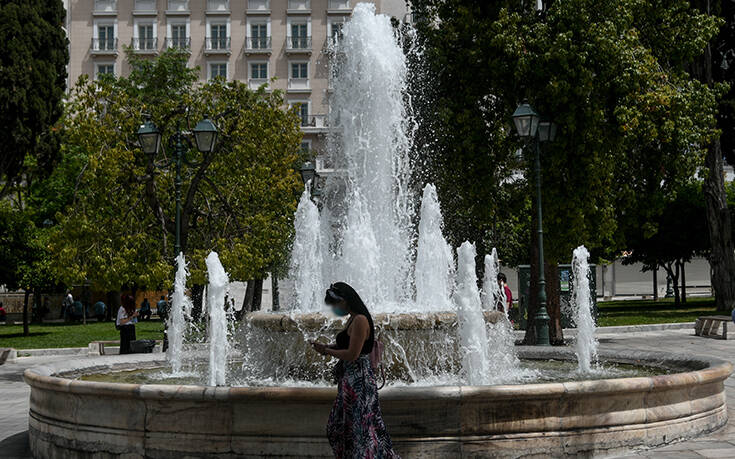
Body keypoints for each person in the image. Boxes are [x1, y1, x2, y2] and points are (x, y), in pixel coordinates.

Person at [311, 282, 400, 459]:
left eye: (335, 304)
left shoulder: (360, 320)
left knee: (360, 433)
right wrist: (327, 346)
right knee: (344, 429)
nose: (334, 308)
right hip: (350, 380)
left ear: (345, 301)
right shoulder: (353, 318)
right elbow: (349, 345)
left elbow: (353, 354)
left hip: (359, 381)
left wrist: (327, 351)